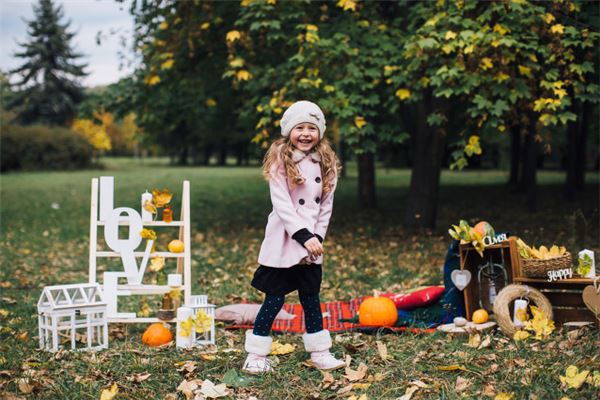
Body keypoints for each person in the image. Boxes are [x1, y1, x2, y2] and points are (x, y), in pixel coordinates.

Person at [242, 100, 345, 375]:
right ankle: (255, 353)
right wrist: (302, 235)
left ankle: (320, 352)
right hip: (286, 240)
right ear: (289, 130)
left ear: (319, 132)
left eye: (312, 128)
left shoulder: (327, 161)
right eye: (300, 127)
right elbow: (282, 204)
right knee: (274, 299)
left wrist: (317, 237)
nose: (306, 133)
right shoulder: (280, 158)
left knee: (310, 298)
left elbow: (326, 205)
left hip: (311, 245)